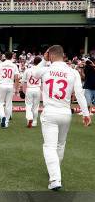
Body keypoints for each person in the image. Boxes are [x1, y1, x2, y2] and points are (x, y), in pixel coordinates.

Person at [31, 45, 91, 190]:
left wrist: (43, 61)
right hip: (65, 112)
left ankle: (55, 178)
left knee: (49, 146)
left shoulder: (46, 69)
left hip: (50, 111)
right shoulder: (73, 72)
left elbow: (34, 74)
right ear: (63, 55)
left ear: (50, 55)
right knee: (60, 145)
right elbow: (79, 94)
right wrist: (86, 114)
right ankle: (55, 172)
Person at [0, 51, 19, 128]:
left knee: (0, 103)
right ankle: (6, 122)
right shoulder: (14, 66)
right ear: (12, 56)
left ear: (5, 56)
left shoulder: (0, 64)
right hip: (10, 85)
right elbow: (16, 78)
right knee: (8, 104)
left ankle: (2, 116)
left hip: (2, 85)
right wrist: (16, 89)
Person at [22, 56, 42, 127]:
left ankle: (29, 118)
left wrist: (23, 90)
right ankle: (35, 121)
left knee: (28, 105)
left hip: (30, 88)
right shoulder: (41, 70)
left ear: (34, 62)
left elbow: (23, 81)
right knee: (36, 107)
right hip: (37, 88)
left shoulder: (28, 70)